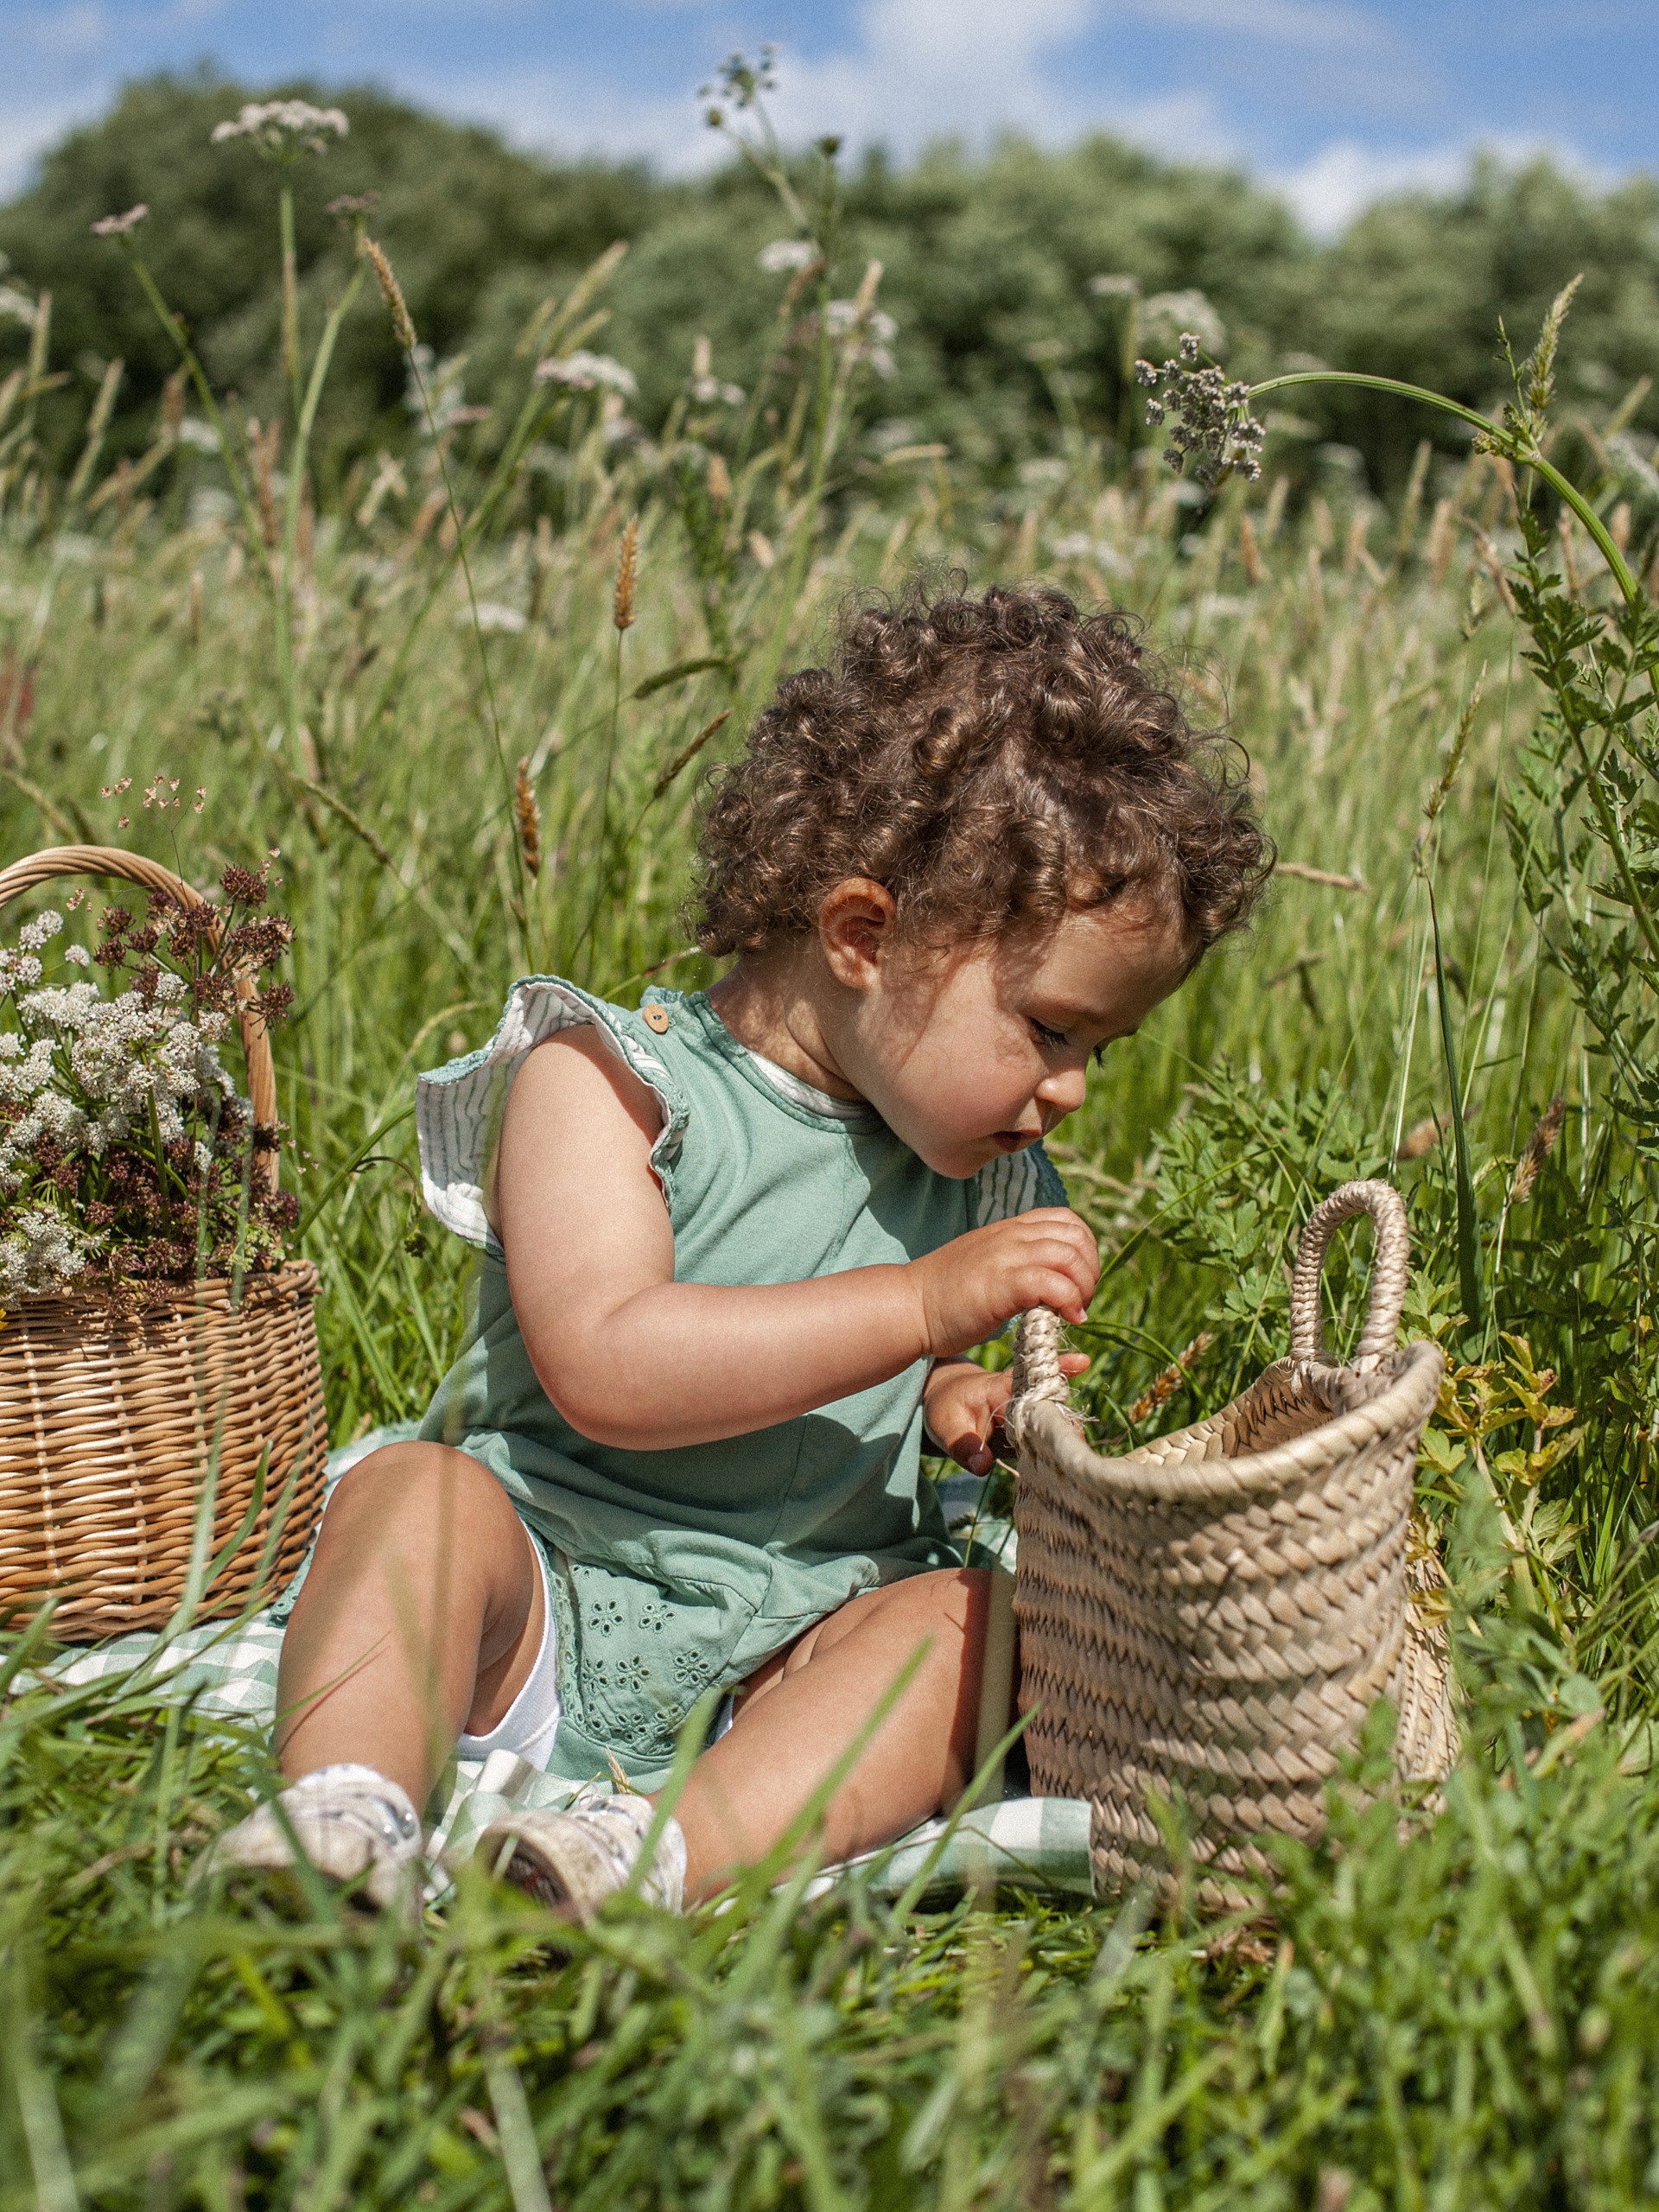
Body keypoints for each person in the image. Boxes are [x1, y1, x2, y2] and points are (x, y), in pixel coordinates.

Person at [210, 583, 1268, 1917]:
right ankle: (344, 1819)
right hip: (541, 1594)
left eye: (1098, 1051)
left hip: (791, 1649)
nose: (1069, 1090)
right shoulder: (608, 1085)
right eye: (1050, 1030)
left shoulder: (981, 1165)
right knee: (412, 1498)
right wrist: (923, 1302)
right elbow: (610, 1365)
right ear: (864, 937)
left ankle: (643, 1854)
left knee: (973, 1626)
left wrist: (954, 1400)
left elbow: (877, 1379)